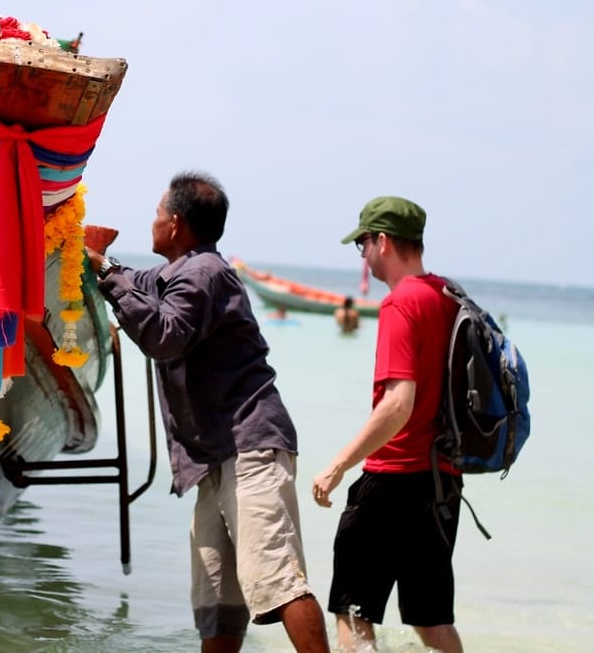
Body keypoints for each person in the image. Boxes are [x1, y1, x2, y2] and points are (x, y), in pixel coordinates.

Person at [86, 171, 330, 653]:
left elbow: (163, 336)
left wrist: (108, 276)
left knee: (279, 582)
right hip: (216, 456)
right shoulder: (183, 271)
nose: (152, 222)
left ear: (175, 225)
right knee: (218, 606)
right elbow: (137, 281)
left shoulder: (203, 274)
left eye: (157, 214)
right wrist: (105, 265)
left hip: (249, 447)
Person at [311, 196, 463, 653]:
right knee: (433, 620)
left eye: (363, 245)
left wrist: (337, 466)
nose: (364, 256)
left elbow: (398, 404)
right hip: (443, 484)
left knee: (352, 613)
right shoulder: (448, 295)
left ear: (381, 241)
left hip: (394, 481)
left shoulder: (401, 303)